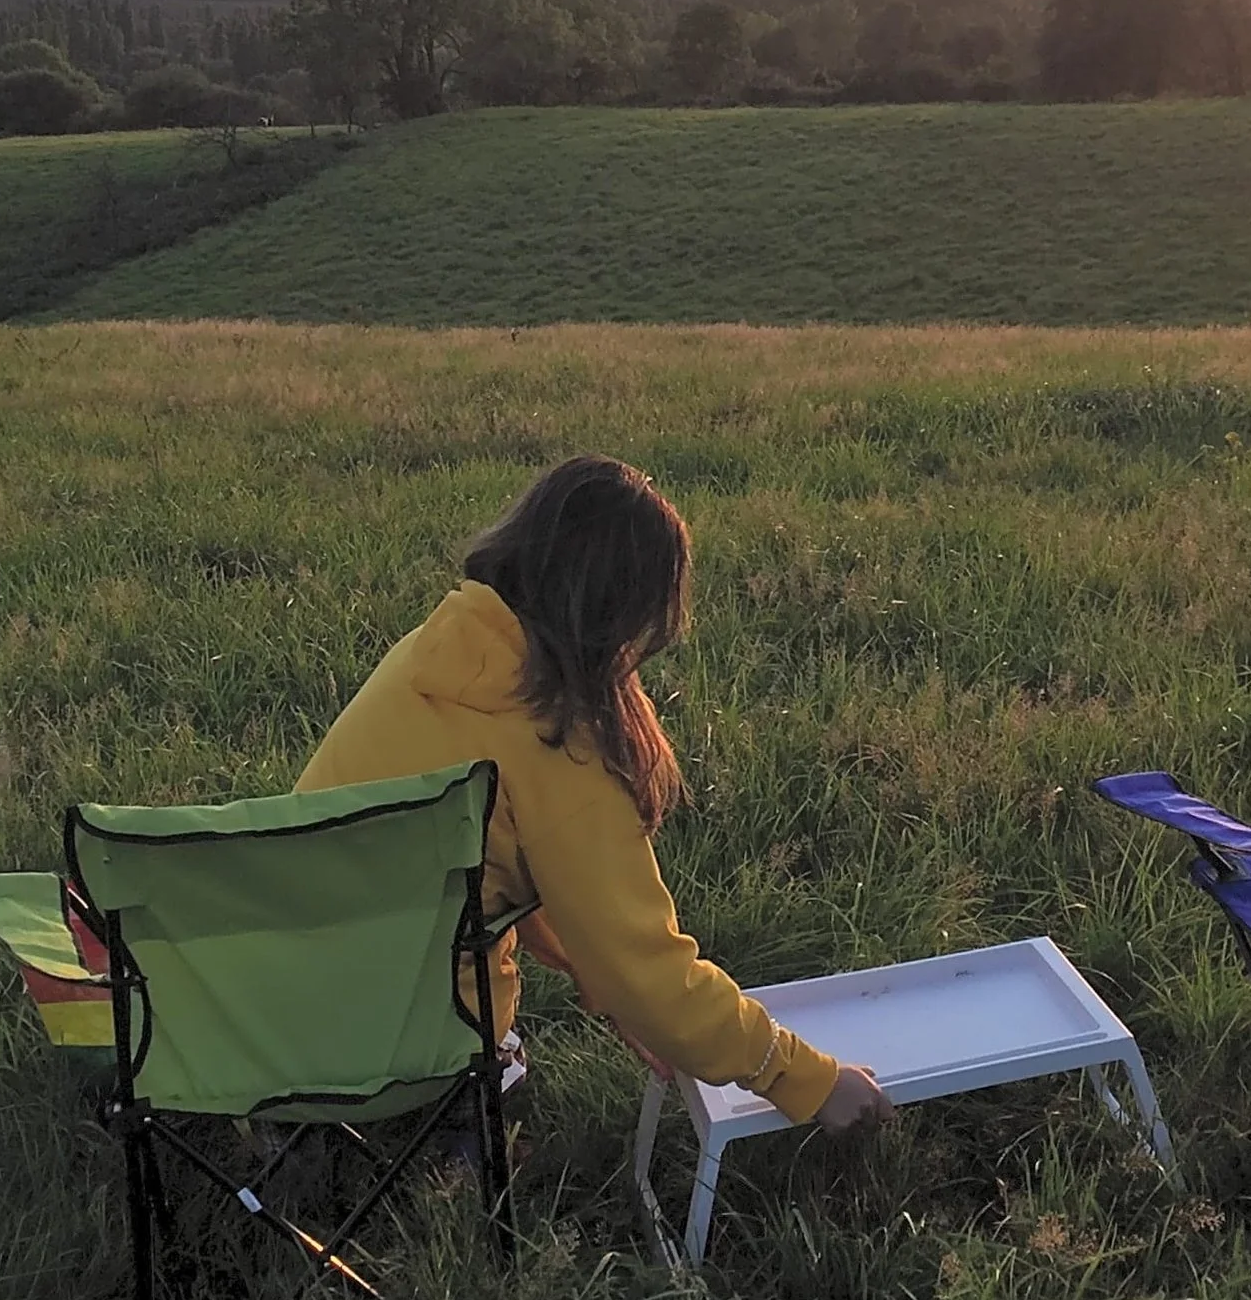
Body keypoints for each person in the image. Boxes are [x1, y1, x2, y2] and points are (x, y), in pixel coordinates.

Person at [297, 454, 890, 1133]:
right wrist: (807, 1078)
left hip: (254, 1013)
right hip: (400, 1044)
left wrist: (612, 993)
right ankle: (441, 1143)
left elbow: (475, 869)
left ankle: (307, 1137)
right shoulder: (557, 740)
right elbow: (648, 970)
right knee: (500, 1067)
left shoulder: (440, 650)